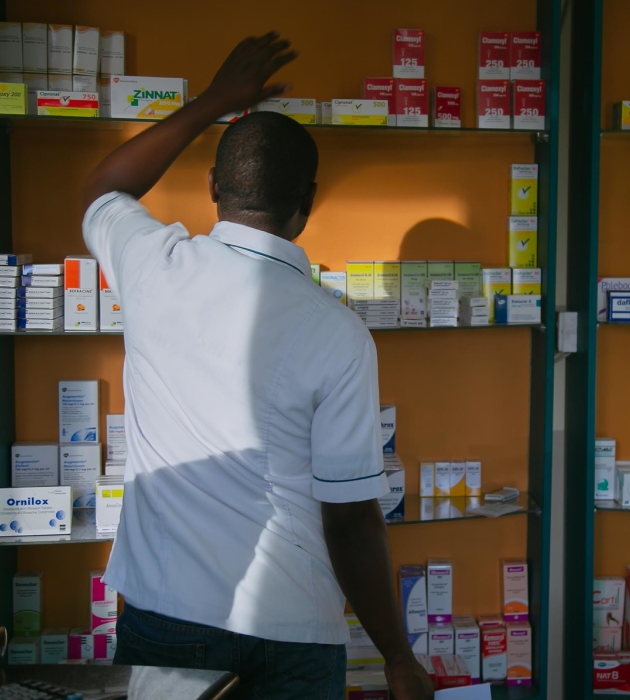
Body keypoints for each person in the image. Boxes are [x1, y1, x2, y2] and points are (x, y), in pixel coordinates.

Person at [79, 34, 433, 700]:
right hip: (294, 627)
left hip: (168, 615)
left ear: (212, 187)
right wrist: (395, 655)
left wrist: (215, 101)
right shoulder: (340, 333)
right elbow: (351, 518)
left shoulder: (155, 265)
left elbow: (103, 188)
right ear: (309, 203)